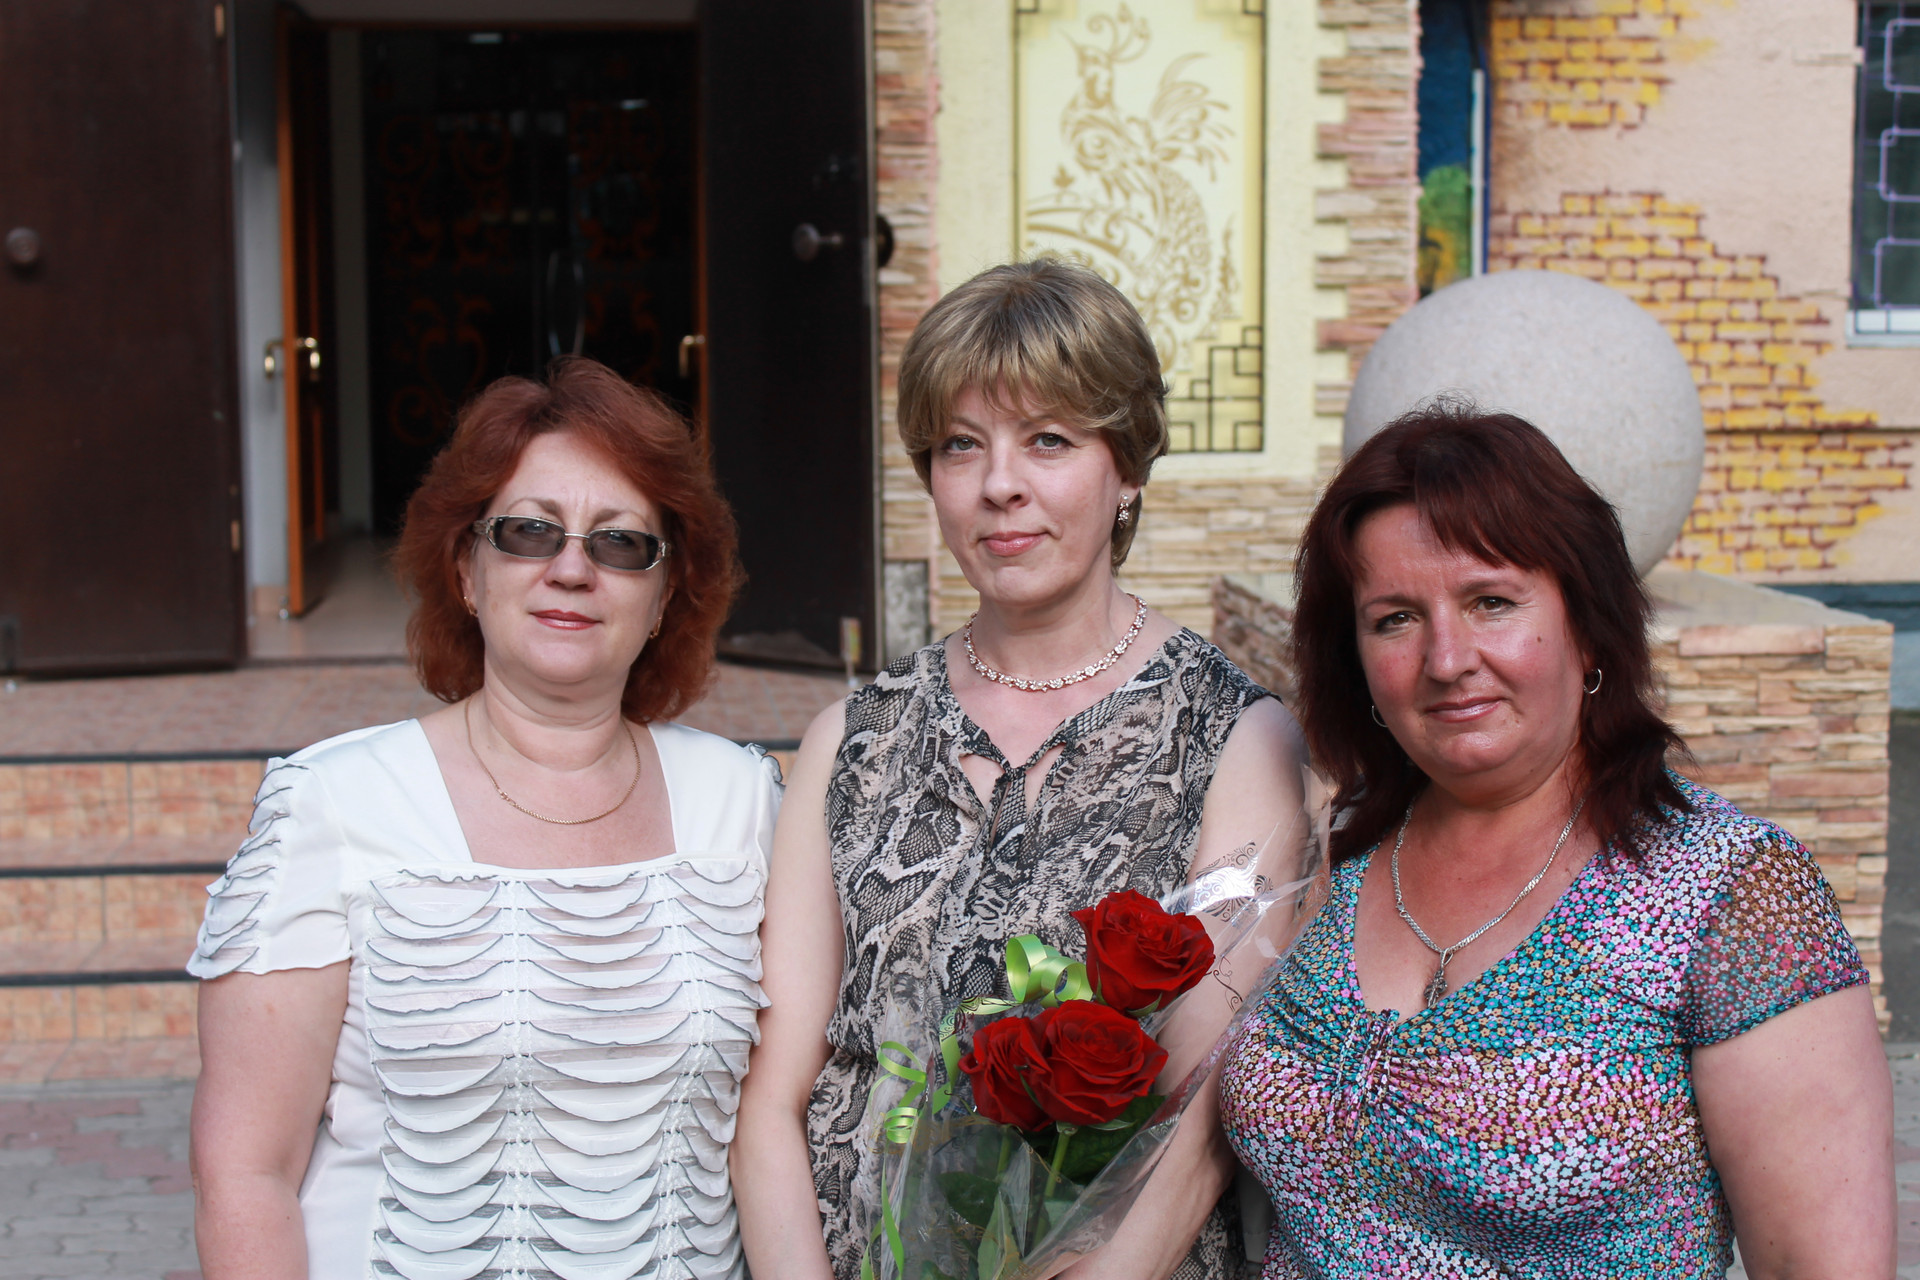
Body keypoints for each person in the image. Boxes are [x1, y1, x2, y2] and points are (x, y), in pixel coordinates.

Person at [1217, 402, 1894, 1277]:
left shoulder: (1730, 890)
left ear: (1588, 626)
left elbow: (1822, 1262)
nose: (1447, 659)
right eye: (1395, 619)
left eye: (1491, 602)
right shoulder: (1323, 859)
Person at [732, 258, 1310, 1280]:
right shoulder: (851, 738)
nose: (1000, 484)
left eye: (1049, 439)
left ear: (1127, 468)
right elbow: (774, 1095)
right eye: (962, 445)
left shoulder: (1234, 737)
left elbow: (1201, 1117)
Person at [188, 358, 781, 1280]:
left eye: (621, 543)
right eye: (528, 532)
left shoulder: (740, 801)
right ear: (466, 570)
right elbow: (244, 1174)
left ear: (666, 594)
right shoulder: (334, 803)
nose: (572, 569)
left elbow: (777, 1127)